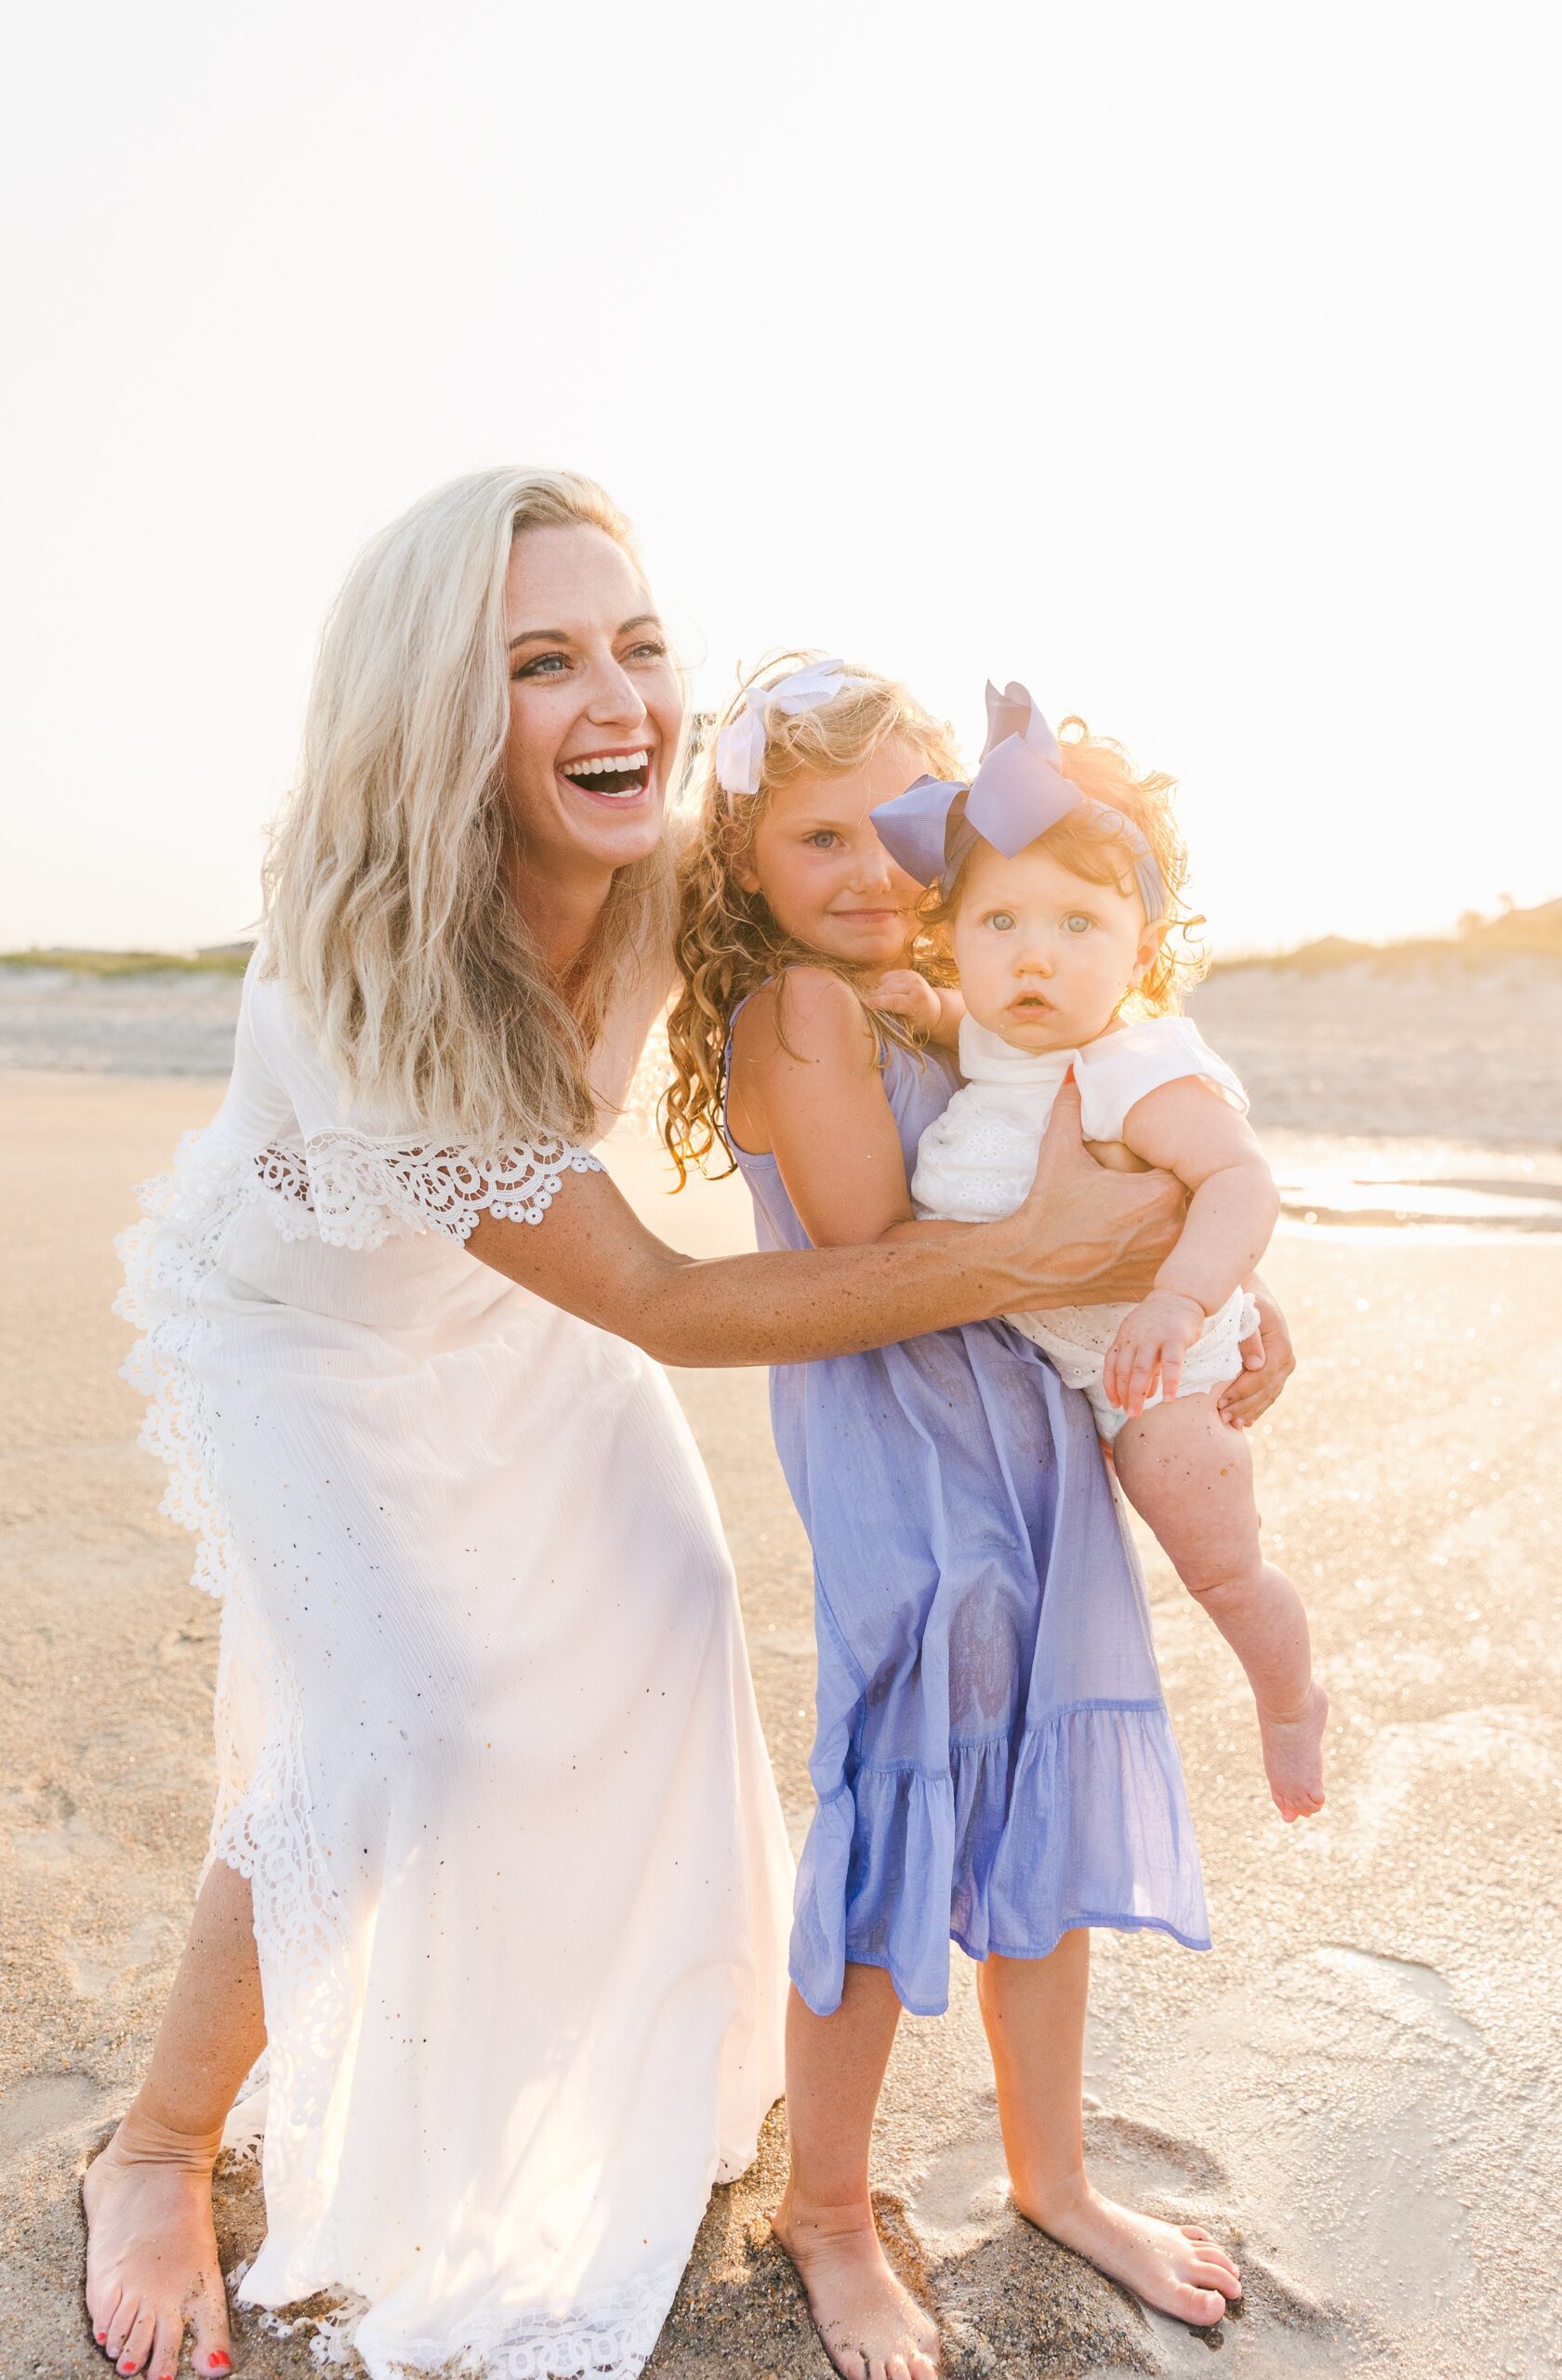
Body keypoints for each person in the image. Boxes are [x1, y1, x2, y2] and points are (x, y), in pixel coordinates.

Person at [86, 476, 1202, 2380]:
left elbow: (897, 878)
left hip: (527, 1314)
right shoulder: (391, 962)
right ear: (437, 709)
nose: (616, 698)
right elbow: (675, 1305)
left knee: (676, 1617)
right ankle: (160, 2139)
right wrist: (1031, 1249)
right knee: (399, 1721)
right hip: (304, 1335)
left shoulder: (672, 860)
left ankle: (627, 2041)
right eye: (540, 662)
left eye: (636, 644)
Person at [666, 657, 1291, 2380]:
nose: (869, 871)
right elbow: (886, 1254)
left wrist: (1208, 1278)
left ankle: (1053, 2173)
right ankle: (833, 2213)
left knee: (1033, 1799)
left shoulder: (954, 1000)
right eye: (816, 840)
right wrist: (1101, 1224)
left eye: (898, 832)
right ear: (745, 871)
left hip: (1032, 1434)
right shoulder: (804, 1012)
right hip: (906, 1446)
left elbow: (1126, 1146)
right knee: (900, 1790)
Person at [881, 683, 1327, 1824]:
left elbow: (1238, 1180)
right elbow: (956, 1017)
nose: (1036, 958)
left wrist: (1183, 1304)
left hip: (1152, 1374)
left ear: (1140, 948)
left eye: (1078, 926)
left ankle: (1288, 1697)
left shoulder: (1136, 1067)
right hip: (1042, 1362)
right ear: (957, 938)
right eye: (1002, 925)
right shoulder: (988, 1029)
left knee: (1215, 1560)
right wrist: (906, 1001)